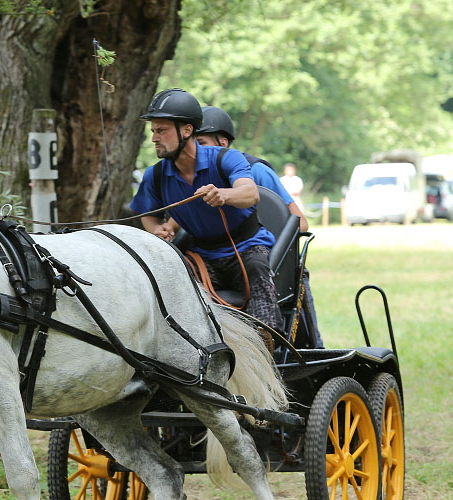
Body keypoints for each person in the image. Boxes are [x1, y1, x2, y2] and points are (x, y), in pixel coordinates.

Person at [130, 89, 282, 334]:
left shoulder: (226, 158)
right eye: (153, 131)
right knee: (169, 282)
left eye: (161, 130)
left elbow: (250, 193)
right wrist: (157, 229)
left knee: (257, 270)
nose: (154, 138)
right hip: (201, 256)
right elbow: (147, 214)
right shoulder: (155, 175)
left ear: (187, 131)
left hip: (246, 249)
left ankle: (266, 345)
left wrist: (224, 195)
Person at [194, 106, 323, 347]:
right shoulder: (193, 177)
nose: (195, 151)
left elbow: (300, 221)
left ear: (222, 142)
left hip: (271, 266)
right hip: (216, 265)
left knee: (309, 341)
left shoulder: (255, 171)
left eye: (201, 142)